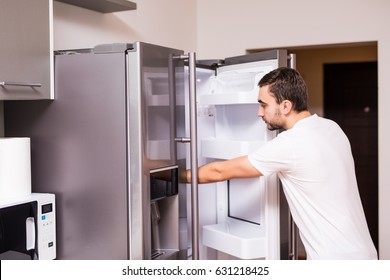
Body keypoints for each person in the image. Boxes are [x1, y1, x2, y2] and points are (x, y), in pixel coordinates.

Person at [186, 67, 378, 260]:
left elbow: (219, 171)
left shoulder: (290, 144)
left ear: (285, 106)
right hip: (366, 253)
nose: (259, 113)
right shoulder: (332, 127)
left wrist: (171, 174)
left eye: (263, 104)